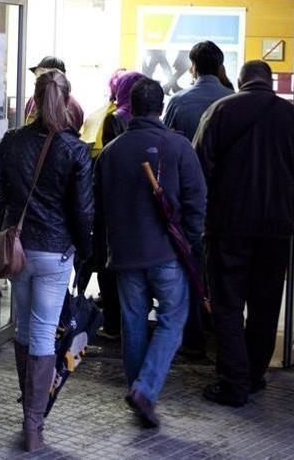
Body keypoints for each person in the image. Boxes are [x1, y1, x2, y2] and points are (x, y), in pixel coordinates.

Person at [193, 60, 294, 407]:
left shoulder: (219, 111)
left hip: (228, 227)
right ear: (270, 81)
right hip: (275, 230)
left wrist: (207, 213)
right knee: (265, 305)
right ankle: (252, 376)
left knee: (228, 304)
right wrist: (287, 210)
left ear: (240, 80)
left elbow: (198, 167)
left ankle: (233, 382)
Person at [0, 70, 93, 452]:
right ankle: (34, 425)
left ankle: (27, 413)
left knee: (25, 331)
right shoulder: (75, 150)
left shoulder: (12, 141)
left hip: (18, 250)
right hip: (55, 251)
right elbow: (82, 212)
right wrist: (86, 254)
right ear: (66, 101)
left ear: (33, 97)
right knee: (45, 333)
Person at [94, 78, 206, 428]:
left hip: (125, 254)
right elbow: (196, 199)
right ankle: (145, 389)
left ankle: (138, 390)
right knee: (173, 318)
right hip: (167, 253)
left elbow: (98, 206)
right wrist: (188, 239)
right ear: (160, 107)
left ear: (133, 106)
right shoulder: (178, 146)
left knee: (133, 322)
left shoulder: (111, 151)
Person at [162, 40, 234, 360]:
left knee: (189, 266)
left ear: (193, 65)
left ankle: (192, 338)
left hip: (187, 200)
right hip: (223, 200)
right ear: (219, 65)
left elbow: (165, 147)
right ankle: (219, 332)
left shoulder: (179, 101)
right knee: (221, 269)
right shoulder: (233, 101)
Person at [91, 69, 146, 340]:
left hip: (115, 208)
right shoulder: (149, 124)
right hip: (143, 207)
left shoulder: (114, 120)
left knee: (110, 264)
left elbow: (107, 163)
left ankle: (114, 324)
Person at [22, 56, 85, 130]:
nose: (37, 81)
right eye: (37, 75)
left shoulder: (72, 105)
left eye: (41, 75)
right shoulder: (32, 100)